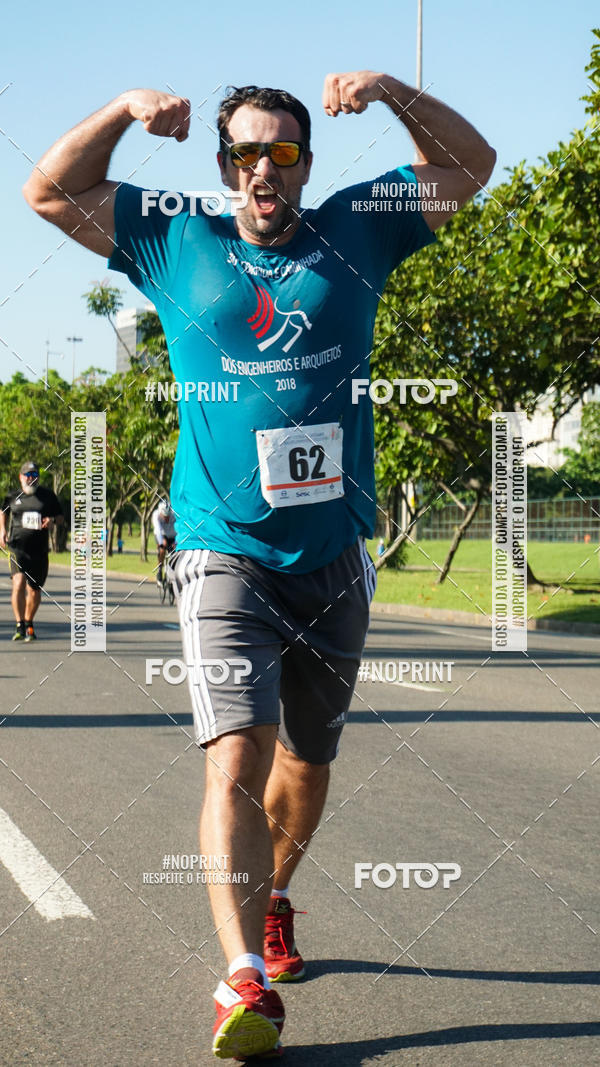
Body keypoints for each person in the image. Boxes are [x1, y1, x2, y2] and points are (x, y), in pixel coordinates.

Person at [23, 71, 495, 1059]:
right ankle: (240, 975)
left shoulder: (358, 230)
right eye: (246, 152)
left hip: (333, 554)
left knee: (308, 762)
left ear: (306, 163)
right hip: (220, 550)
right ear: (224, 164)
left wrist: (397, 91)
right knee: (235, 752)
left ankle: (275, 893)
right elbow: (48, 190)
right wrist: (121, 112)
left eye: (283, 152)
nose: (265, 169)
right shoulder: (172, 236)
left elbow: (470, 165)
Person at [0, 462, 64, 641]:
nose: (31, 478)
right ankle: (20, 625)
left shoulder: (48, 496)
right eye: (27, 475)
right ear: (20, 477)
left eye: (34, 474)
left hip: (39, 551)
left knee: (34, 591)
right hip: (17, 548)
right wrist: (2, 530)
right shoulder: (13, 496)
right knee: (18, 583)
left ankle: (29, 623)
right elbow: (3, 511)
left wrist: (52, 521)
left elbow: (60, 517)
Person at [151, 499, 176, 584]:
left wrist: (175, 542)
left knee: (175, 552)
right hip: (161, 534)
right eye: (164, 516)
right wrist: (161, 543)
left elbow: (180, 530)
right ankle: (160, 570)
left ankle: (173, 571)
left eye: (168, 516)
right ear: (160, 513)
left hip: (173, 535)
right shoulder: (155, 514)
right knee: (162, 550)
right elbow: (158, 530)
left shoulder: (174, 514)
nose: (166, 518)